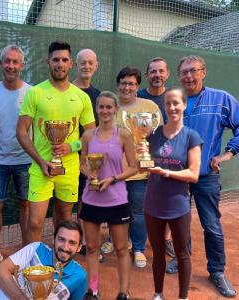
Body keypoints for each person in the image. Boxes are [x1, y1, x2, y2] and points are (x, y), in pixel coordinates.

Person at [16, 41, 95, 242]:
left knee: (65, 219)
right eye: (56, 60)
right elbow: (21, 132)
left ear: (71, 64)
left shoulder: (81, 97)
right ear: (48, 62)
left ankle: (61, 264)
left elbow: (91, 134)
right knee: (35, 222)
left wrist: (72, 146)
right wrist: (41, 161)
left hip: (69, 169)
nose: (60, 64)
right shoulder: (35, 93)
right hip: (41, 168)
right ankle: (33, 266)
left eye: (64, 60)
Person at [178, 55, 239, 298]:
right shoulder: (175, 100)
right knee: (180, 223)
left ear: (203, 72)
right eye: (184, 72)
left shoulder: (222, 99)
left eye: (193, 71)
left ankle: (217, 271)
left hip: (206, 176)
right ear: (179, 76)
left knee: (211, 225)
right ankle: (183, 261)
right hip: (178, 176)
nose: (189, 76)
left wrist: (227, 154)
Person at [138, 87, 202, 300]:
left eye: (176, 103)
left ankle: (183, 297)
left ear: (184, 105)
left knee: (182, 254)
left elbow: (193, 174)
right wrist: (141, 159)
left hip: (178, 206)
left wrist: (165, 172)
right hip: (153, 204)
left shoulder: (191, 136)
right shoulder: (153, 134)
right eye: (168, 104)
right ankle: (158, 294)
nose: (172, 107)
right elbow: (143, 165)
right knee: (157, 254)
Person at [80, 91, 137, 300]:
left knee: (122, 249)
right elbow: (81, 164)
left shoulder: (123, 135)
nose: (104, 111)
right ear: (96, 109)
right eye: (101, 107)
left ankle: (124, 293)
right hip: (92, 199)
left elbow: (133, 167)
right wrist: (91, 174)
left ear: (115, 110)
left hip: (117, 199)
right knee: (93, 248)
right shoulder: (87, 135)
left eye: (108, 107)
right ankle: (93, 290)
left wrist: (112, 179)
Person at [0, 45, 31, 272]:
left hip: (25, 160)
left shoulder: (31, 92)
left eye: (15, 62)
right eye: (7, 61)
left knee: (25, 204)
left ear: (22, 65)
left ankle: (26, 249)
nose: (11, 66)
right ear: (1, 64)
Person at [0, 220, 87, 300]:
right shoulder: (37, 248)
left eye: (72, 243)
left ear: (80, 247)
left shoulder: (79, 276)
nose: (65, 247)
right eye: (61, 240)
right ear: (53, 239)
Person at [114, 66, 164, 268]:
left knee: (137, 212)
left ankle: (138, 249)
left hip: (140, 172)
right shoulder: (111, 105)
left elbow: (160, 137)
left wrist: (149, 154)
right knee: (116, 211)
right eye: (124, 83)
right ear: (118, 85)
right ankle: (116, 241)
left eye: (132, 84)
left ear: (137, 86)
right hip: (115, 172)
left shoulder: (149, 106)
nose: (127, 87)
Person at [137, 57, 175, 261]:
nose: (157, 75)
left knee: (167, 199)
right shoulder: (137, 96)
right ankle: (133, 239)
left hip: (167, 159)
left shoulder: (174, 98)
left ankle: (166, 238)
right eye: (153, 71)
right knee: (136, 200)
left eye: (161, 71)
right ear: (147, 75)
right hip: (139, 160)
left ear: (167, 74)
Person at [72, 48, 101, 256]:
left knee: (87, 201)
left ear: (96, 65)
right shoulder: (67, 91)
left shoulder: (99, 95)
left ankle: (83, 242)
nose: (87, 66)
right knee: (63, 206)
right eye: (83, 62)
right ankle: (63, 243)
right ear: (75, 64)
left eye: (90, 62)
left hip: (89, 159)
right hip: (64, 156)